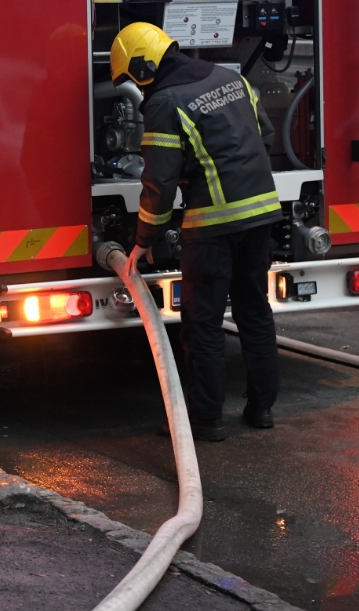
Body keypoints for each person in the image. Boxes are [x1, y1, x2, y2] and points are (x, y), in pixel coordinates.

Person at [110, 22, 282, 442]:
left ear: (144, 67)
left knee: (202, 324)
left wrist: (143, 240)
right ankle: (261, 410)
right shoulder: (231, 77)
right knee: (254, 312)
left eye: (132, 79)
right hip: (262, 213)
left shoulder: (165, 101)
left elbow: (159, 182)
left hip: (213, 225)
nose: (135, 88)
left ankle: (207, 420)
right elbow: (266, 132)